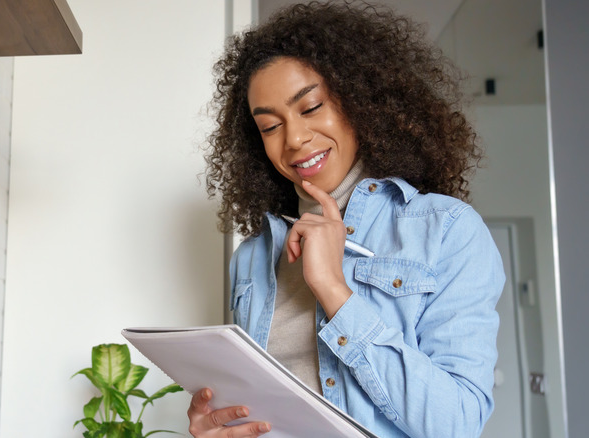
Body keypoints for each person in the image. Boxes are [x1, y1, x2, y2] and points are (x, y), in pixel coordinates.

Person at [189, 2, 505, 437]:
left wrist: (334, 290)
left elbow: (457, 424)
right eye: (270, 127)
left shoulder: (447, 230)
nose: (294, 138)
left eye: (310, 107)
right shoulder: (253, 256)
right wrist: (220, 427)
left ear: (359, 101)